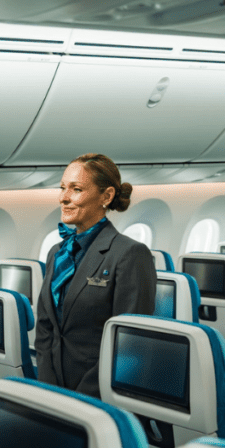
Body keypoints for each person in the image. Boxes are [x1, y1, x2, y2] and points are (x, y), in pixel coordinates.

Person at [34, 153, 155, 398]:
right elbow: (45, 327)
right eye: (62, 188)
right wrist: (48, 386)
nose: (63, 197)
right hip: (52, 388)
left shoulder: (130, 254)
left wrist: (81, 399)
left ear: (106, 196)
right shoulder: (56, 253)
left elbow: (128, 343)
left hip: (98, 394)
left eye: (76, 189)